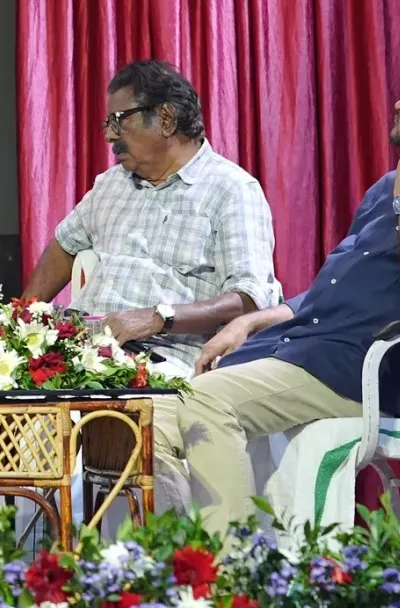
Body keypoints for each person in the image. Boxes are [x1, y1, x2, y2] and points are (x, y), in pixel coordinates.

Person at [154, 48, 400, 535]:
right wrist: (251, 320)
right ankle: (180, 564)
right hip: (306, 349)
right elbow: (330, 295)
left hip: (366, 370)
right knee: (147, 422)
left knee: (205, 402)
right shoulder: (389, 186)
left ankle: (236, 572)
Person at [21, 60, 280, 376]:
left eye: (119, 121)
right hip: (81, 347)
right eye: (108, 124)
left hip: (158, 360)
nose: (110, 136)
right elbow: (65, 245)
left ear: (166, 119)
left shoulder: (231, 190)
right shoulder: (110, 184)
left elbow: (250, 298)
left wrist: (158, 317)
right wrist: (22, 318)